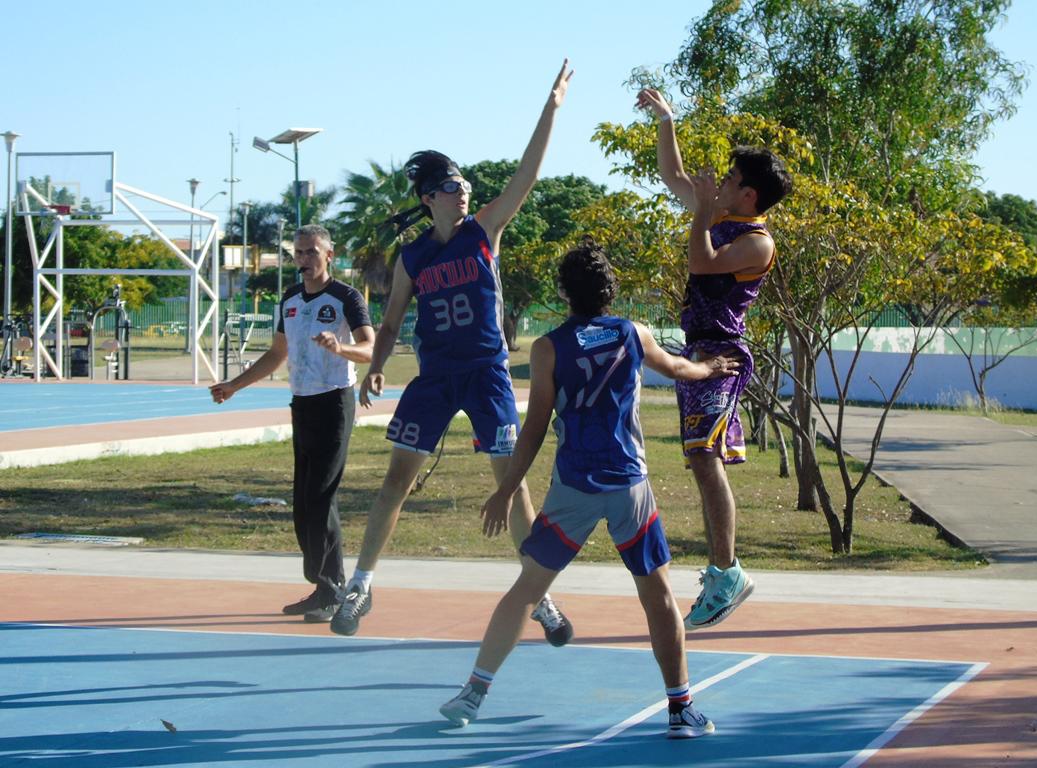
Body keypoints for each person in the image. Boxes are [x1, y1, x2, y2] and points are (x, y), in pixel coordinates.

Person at [439, 239, 742, 738]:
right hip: (629, 486)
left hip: (573, 489)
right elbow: (680, 368)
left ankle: (473, 693)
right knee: (658, 595)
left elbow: (534, 427)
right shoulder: (632, 332)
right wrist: (711, 368)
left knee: (525, 593)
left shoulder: (547, 348)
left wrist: (506, 488)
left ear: (565, 293)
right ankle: (681, 708)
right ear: (610, 290)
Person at [329, 60, 575, 643]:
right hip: (436, 377)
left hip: (487, 374)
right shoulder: (412, 257)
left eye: (465, 185)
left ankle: (539, 595)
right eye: (451, 186)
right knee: (396, 482)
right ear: (427, 197)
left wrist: (552, 107)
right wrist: (377, 367)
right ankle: (361, 584)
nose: (463, 191)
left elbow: (527, 175)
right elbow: (389, 324)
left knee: (511, 484)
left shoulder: (483, 232)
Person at [636, 88, 793, 630]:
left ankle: (727, 572)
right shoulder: (718, 213)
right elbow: (672, 173)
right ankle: (723, 570)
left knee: (706, 458)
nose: (718, 182)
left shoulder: (757, 241)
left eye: (728, 179)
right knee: (701, 459)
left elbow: (703, 266)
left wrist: (702, 214)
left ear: (748, 195)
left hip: (723, 353)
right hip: (698, 350)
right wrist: (666, 120)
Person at [209, 224, 374, 621]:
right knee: (303, 503)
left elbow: (371, 347)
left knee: (319, 497)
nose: (304, 260)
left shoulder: (345, 297)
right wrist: (234, 386)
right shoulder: (290, 300)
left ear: (329, 255)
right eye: (298, 253)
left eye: (311, 252)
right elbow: (276, 355)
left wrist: (341, 347)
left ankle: (335, 591)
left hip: (335, 402)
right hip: (301, 405)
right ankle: (324, 588)